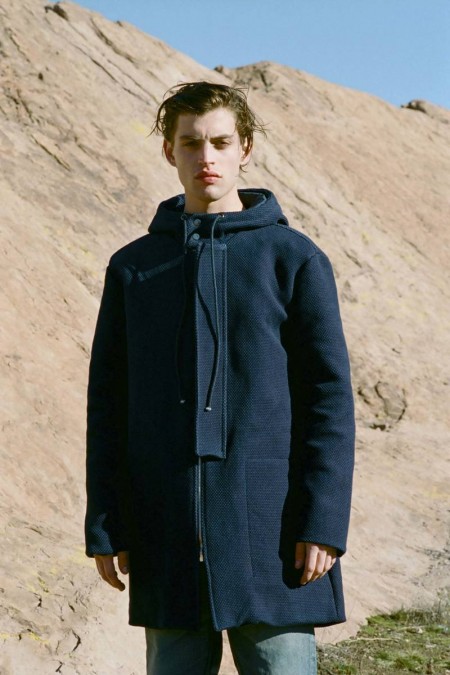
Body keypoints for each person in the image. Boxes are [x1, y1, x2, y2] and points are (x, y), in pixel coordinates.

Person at [85, 81, 355, 674]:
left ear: (245, 149)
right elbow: (108, 404)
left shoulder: (293, 258)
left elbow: (329, 399)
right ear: (170, 151)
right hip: (166, 530)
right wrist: (106, 522)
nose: (205, 157)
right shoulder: (133, 267)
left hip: (274, 533)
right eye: (191, 143)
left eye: (220, 142)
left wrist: (324, 520)